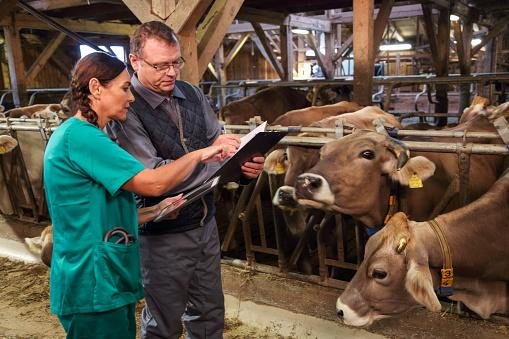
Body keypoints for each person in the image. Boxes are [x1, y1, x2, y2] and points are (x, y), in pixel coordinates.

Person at [43, 52, 232, 339]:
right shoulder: (81, 137)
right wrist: (199, 155)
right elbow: (153, 184)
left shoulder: (85, 136)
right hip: (93, 279)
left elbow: (99, 212)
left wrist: (156, 211)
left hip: (103, 277)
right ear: (96, 88)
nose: (131, 97)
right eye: (124, 88)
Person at [107, 21, 265, 339]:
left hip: (204, 224)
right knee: (162, 324)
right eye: (160, 65)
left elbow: (215, 141)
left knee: (209, 316)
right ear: (135, 62)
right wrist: (217, 161)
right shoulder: (127, 109)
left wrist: (242, 166)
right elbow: (154, 175)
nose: (171, 72)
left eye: (175, 62)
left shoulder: (191, 94)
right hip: (161, 234)